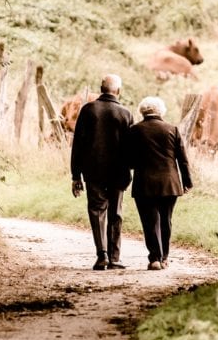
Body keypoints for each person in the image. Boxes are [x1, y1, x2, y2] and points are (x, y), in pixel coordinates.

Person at [71, 74, 133, 270]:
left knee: (97, 211)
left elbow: (77, 145)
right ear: (119, 91)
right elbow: (131, 148)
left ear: (100, 89)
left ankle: (102, 255)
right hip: (119, 172)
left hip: (93, 171)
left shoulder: (88, 110)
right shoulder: (126, 113)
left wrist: (76, 175)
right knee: (116, 213)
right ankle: (115, 258)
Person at [127, 96, 193, 270]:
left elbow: (129, 159)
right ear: (161, 111)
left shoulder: (134, 130)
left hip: (144, 183)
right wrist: (187, 182)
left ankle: (154, 258)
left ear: (142, 111)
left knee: (149, 221)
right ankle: (164, 257)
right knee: (166, 220)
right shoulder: (172, 130)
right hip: (169, 183)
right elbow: (183, 159)